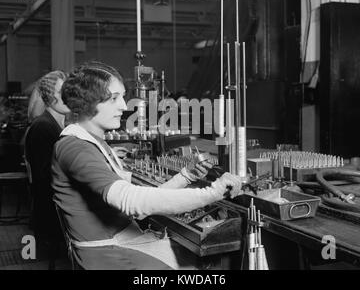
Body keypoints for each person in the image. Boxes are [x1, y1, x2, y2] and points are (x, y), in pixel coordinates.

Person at [51, 61, 243, 270]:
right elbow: (132, 201)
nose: (124, 106)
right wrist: (212, 193)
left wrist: (185, 176)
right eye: (114, 98)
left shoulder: (95, 142)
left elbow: (137, 210)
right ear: (89, 102)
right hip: (109, 258)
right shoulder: (75, 148)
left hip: (121, 246)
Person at [25, 70, 71, 260]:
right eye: (61, 92)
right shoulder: (43, 127)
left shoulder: (56, 125)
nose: (67, 97)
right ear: (48, 96)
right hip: (53, 211)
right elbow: (46, 176)